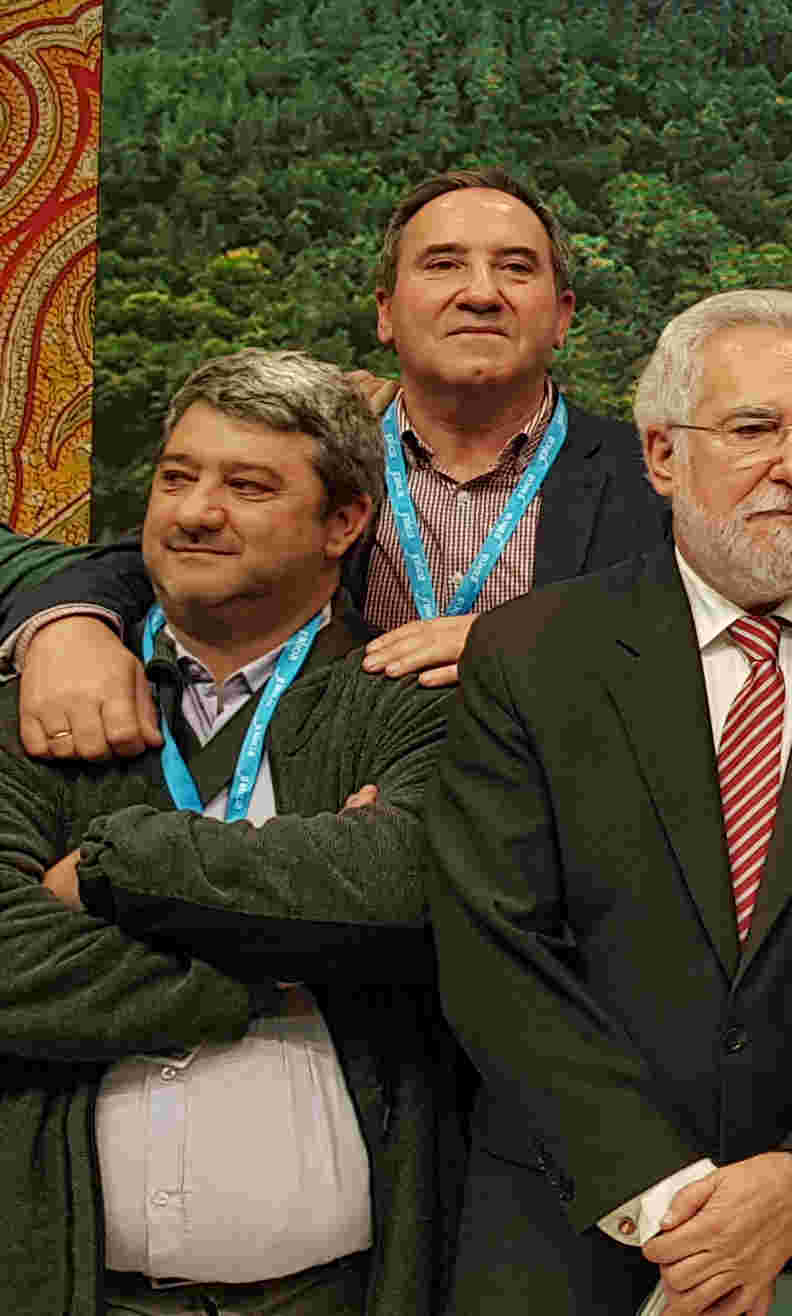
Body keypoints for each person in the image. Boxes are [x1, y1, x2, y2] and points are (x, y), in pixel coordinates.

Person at [430, 289, 792, 1315]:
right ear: (663, 455)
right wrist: (678, 1205)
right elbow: (497, 952)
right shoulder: (536, 652)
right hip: (576, 1232)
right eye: (754, 429)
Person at [1, 351, 454, 1316]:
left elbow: (407, 887)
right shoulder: (33, 706)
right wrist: (285, 966)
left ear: (345, 522)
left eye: (247, 486)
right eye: (176, 478)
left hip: (340, 1295)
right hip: (73, 1289)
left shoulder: (415, 706)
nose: (196, 511)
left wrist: (108, 874)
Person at [8, 166, 670, 756]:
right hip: (316, 827)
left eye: (516, 268)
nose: (480, 293)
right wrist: (68, 628)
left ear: (561, 317)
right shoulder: (316, 458)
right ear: (385, 312)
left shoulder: (657, 480)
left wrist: (531, 652)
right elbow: (162, 556)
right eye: (442, 264)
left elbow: (720, 645)